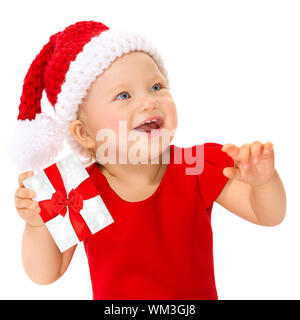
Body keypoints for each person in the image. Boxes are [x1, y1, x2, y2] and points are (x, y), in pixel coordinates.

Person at [12, 21, 286, 300]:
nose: (149, 102)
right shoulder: (78, 189)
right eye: (124, 95)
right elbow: (44, 274)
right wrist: (36, 225)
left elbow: (267, 215)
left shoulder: (196, 165)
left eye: (156, 87)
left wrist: (264, 183)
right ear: (84, 134)